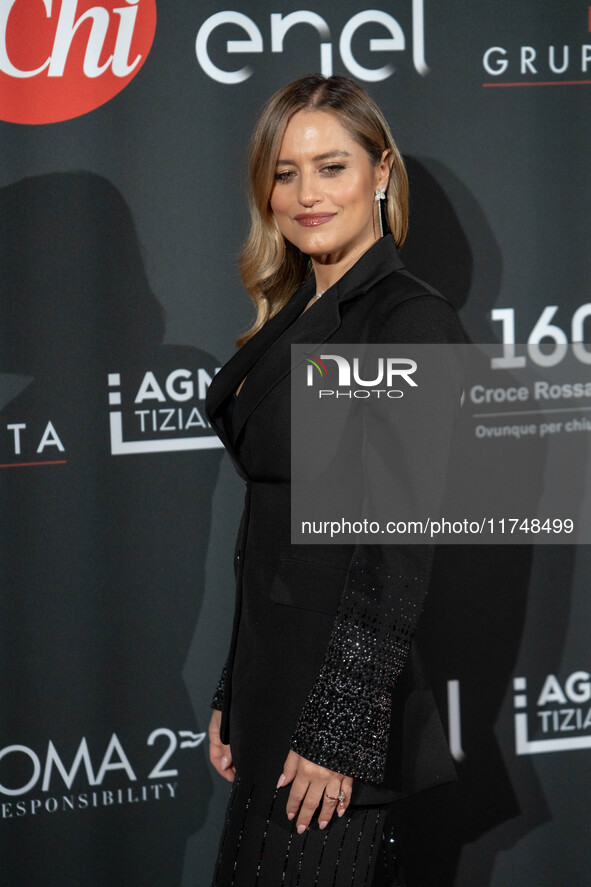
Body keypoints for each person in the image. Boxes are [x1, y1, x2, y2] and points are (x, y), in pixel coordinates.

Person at [204, 74, 466, 886]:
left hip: (333, 717)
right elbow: (276, 531)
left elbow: (397, 546)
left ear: (380, 173)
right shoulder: (295, 313)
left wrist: (338, 729)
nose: (305, 194)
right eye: (285, 172)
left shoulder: (407, 320)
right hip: (274, 687)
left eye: (332, 167)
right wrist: (235, 682)